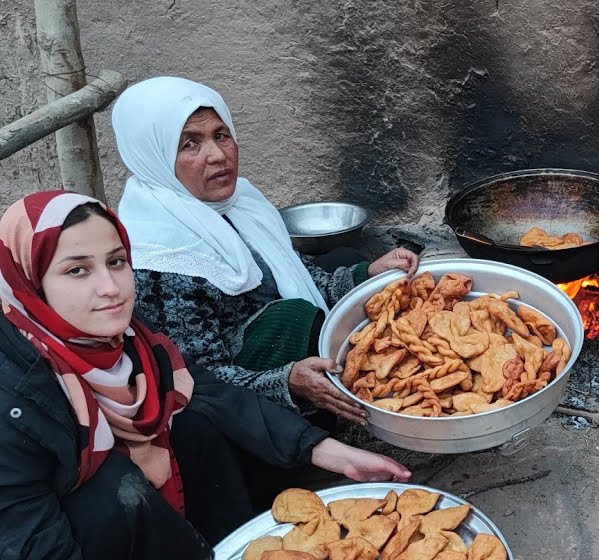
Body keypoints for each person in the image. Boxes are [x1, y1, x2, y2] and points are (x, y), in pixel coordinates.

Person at [0, 191, 411, 560]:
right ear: (30, 282)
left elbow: (212, 392)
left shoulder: (124, 342)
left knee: (192, 421)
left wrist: (324, 450)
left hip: (93, 540)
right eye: (76, 270)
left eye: (116, 262)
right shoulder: (16, 398)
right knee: (115, 491)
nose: (109, 288)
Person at [110, 76, 421, 426]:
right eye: (189, 145)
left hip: (264, 338)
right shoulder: (160, 256)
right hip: (230, 406)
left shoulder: (239, 204)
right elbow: (197, 377)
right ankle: (309, 431)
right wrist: (285, 381)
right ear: (154, 156)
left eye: (221, 135)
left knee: (350, 260)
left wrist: (367, 275)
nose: (217, 155)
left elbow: (299, 274)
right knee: (294, 317)